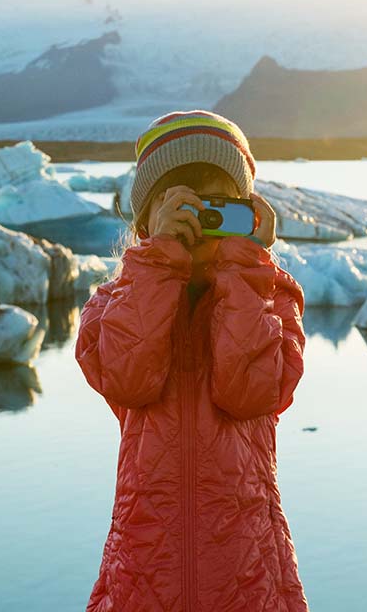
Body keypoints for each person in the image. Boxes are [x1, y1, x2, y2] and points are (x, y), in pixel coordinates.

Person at [76, 110, 308, 611]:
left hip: (245, 567)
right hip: (146, 562)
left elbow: (249, 393)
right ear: (146, 221)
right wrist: (159, 262)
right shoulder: (113, 305)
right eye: (186, 203)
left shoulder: (271, 300)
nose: (202, 221)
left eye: (218, 206)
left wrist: (242, 269)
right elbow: (127, 379)